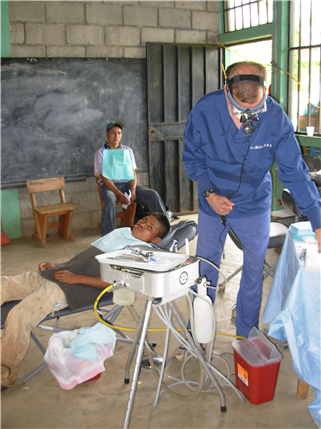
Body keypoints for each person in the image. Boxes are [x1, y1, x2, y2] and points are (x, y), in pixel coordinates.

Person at [183, 61, 321, 338]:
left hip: (253, 203)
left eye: (254, 110)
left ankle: (247, 333)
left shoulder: (277, 120)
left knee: (254, 271)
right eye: (237, 110)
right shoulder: (205, 110)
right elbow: (193, 158)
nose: (245, 119)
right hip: (213, 202)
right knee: (205, 267)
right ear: (226, 91)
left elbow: (295, 173)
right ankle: (198, 328)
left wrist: (317, 220)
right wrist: (209, 193)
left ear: (266, 91)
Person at [0, 213, 170, 389]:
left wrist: (76, 278)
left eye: (150, 227)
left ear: (155, 240)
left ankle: (3, 375)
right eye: (144, 220)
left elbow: (117, 281)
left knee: (20, 315)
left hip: (70, 288)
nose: (142, 224)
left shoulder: (140, 252)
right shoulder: (122, 233)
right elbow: (85, 258)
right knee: (4, 285)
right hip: (61, 274)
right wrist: (59, 266)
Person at [94, 120, 167, 236]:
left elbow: (133, 174)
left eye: (119, 133)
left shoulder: (127, 151)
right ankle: (109, 236)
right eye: (113, 133)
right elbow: (105, 178)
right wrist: (118, 193)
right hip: (110, 187)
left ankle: (163, 229)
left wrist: (133, 190)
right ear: (107, 134)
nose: (116, 136)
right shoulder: (101, 153)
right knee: (110, 199)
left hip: (127, 185)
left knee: (152, 195)